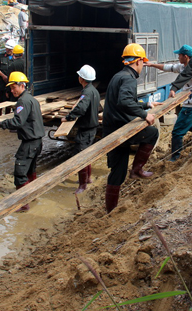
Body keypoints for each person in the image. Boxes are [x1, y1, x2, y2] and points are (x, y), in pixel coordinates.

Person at [102, 43, 161, 213]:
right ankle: (137, 170)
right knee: (152, 132)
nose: (143, 66)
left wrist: (147, 105)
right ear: (138, 62)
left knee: (117, 172)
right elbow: (125, 102)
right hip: (120, 129)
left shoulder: (118, 76)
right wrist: (145, 115)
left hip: (111, 129)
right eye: (143, 62)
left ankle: (110, 211)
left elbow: (127, 102)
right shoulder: (129, 78)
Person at [145, 45, 192, 161]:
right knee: (185, 122)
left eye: (179, 55)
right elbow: (167, 67)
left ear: (185, 56)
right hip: (186, 103)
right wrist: (152, 65)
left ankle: (176, 157)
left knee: (177, 133)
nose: (178, 57)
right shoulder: (182, 67)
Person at [0, 72, 44, 211]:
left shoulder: (23, 101)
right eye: (11, 88)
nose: (12, 90)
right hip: (37, 141)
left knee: (20, 172)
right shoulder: (31, 99)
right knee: (30, 170)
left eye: (14, 87)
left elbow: (17, 122)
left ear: (22, 85)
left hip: (29, 143)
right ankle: (32, 195)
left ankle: (23, 204)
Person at [60, 65, 101, 193]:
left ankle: (82, 186)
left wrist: (68, 117)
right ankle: (87, 179)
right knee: (87, 154)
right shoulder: (94, 90)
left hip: (85, 129)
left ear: (82, 78)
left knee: (80, 156)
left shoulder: (86, 92)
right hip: (92, 127)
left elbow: (81, 108)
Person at [0, 39, 16, 105]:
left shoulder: (15, 58)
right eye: (7, 49)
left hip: (11, 83)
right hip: (2, 83)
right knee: (0, 101)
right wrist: (3, 76)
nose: (8, 51)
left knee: (9, 102)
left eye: (10, 49)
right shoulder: (1, 56)